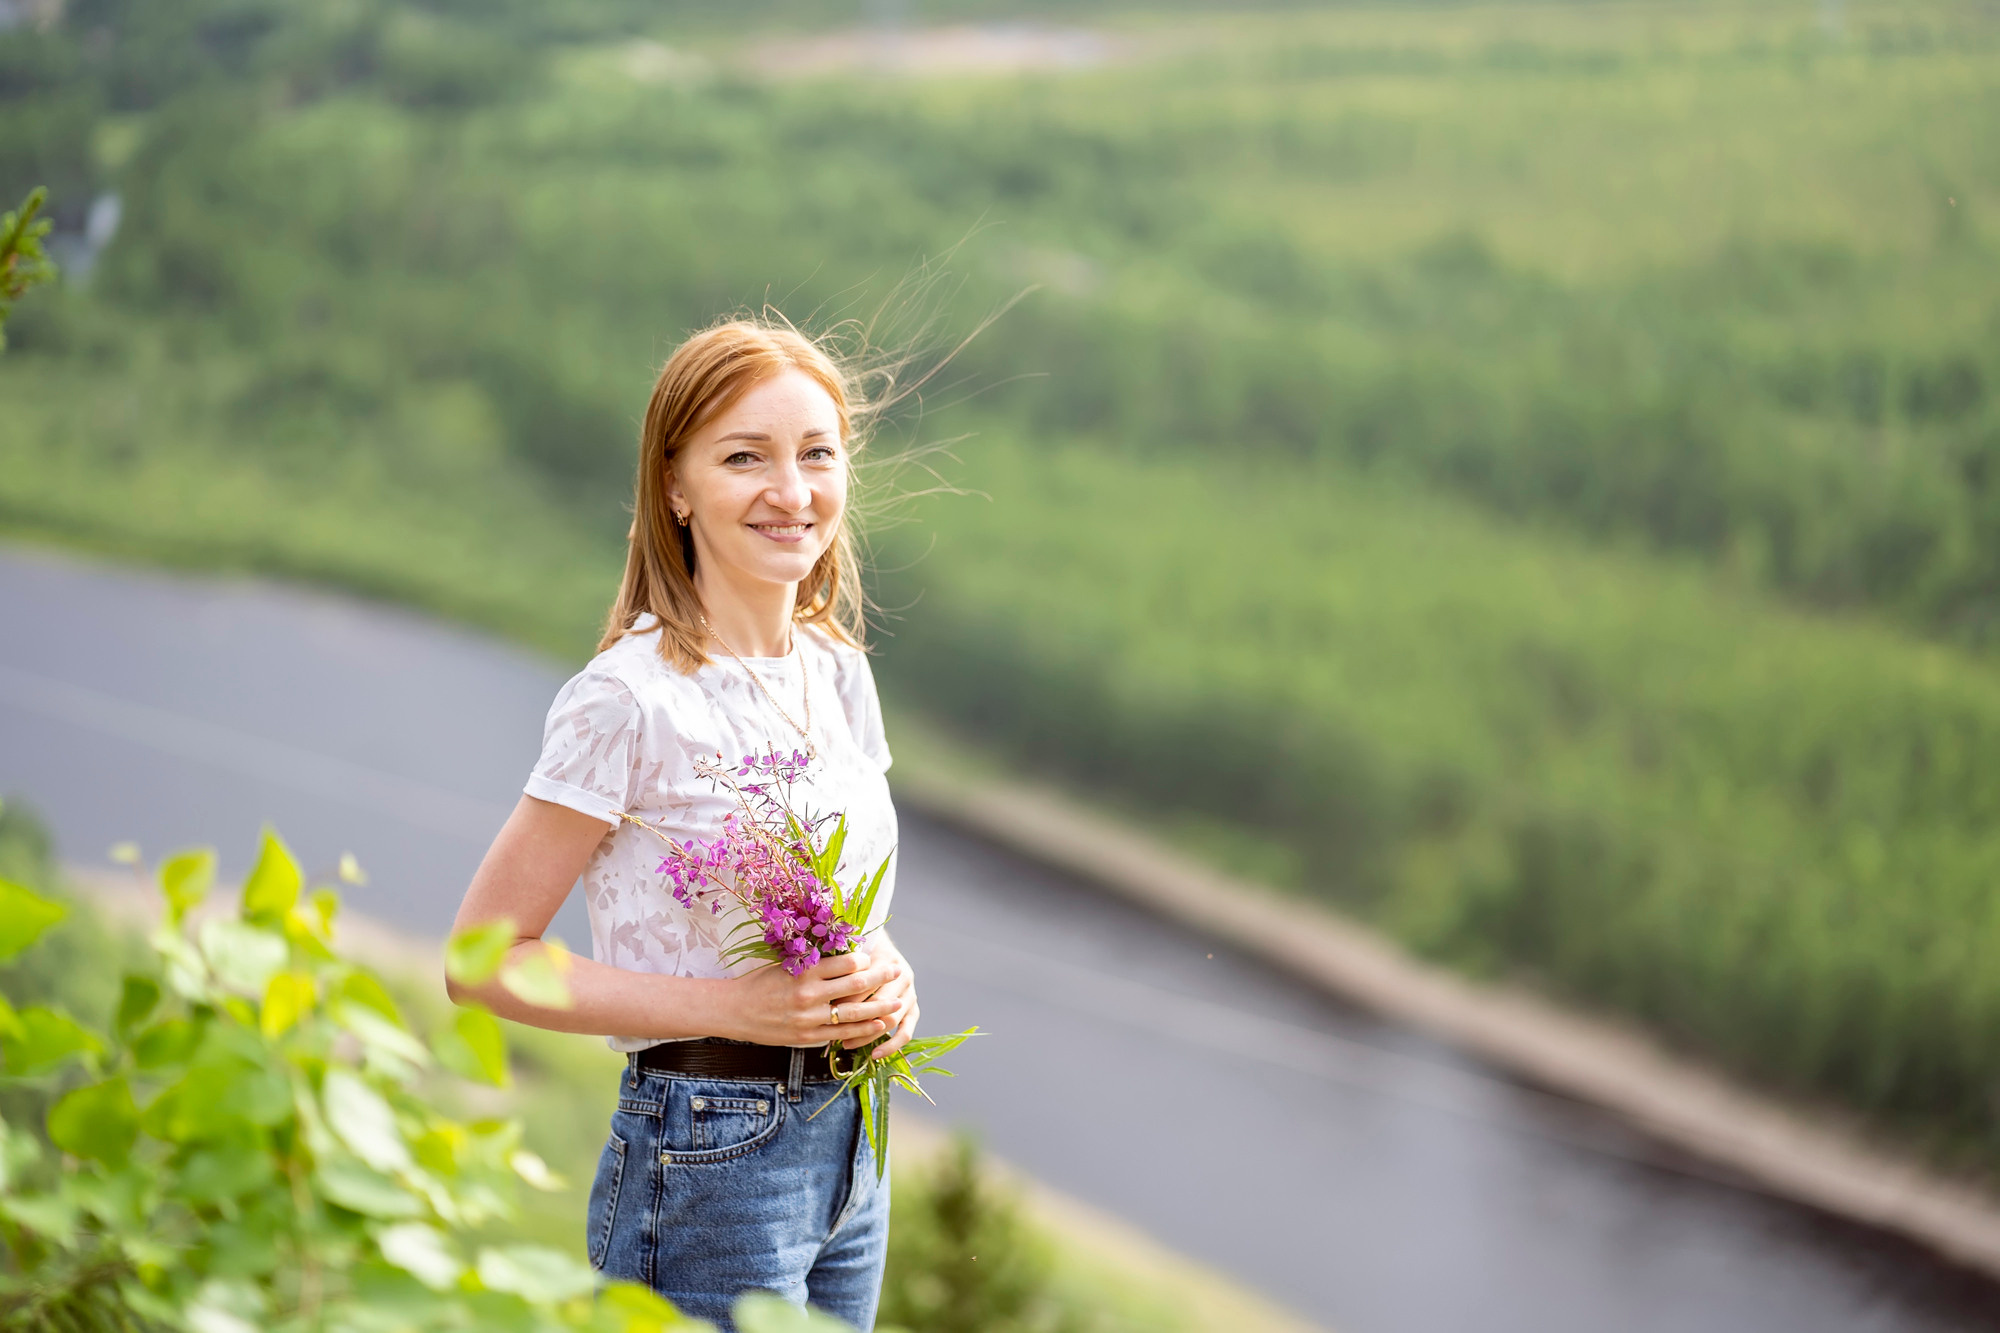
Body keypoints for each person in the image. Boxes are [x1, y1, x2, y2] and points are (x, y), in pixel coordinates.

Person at [446, 318, 918, 1331]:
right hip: (708, 1156)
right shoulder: (627, 697)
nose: (791, 492)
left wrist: (886, 979)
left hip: (852, 1142)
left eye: (815, 454)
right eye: (744, 456)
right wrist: (736, 1010)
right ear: (674, 486)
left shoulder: (836, 670)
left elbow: (850, 912)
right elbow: (480, 960)